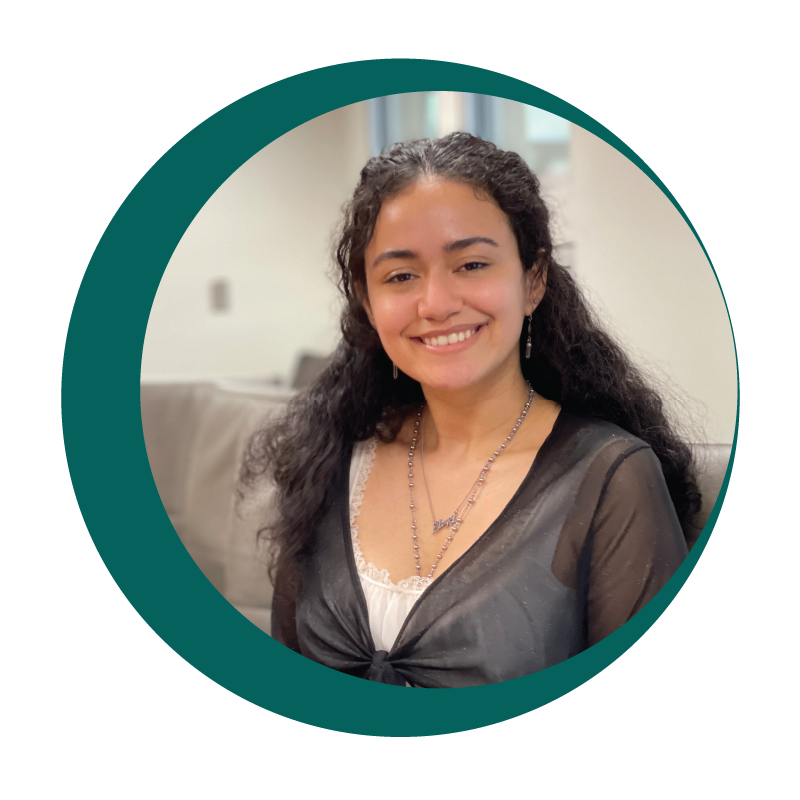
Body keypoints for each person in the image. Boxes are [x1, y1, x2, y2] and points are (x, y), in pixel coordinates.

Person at [240, 132, 700, 688]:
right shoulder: (330, 458)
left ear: (534, 281)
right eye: (400, 276)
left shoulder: (609, 481)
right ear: (367, 302)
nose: (436, 303)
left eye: (472, 265)